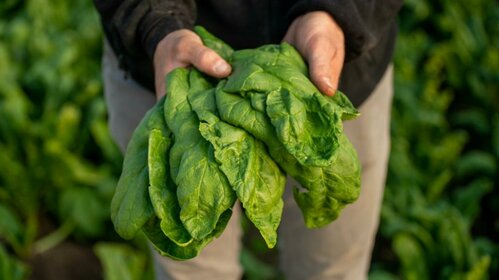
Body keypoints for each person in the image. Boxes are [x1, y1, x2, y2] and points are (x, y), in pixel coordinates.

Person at [93, 1, 403, 279]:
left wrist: (341, 11)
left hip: (324, 78)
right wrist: (156, 19)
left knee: (331, 266)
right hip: (169, 71)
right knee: (192, 264)